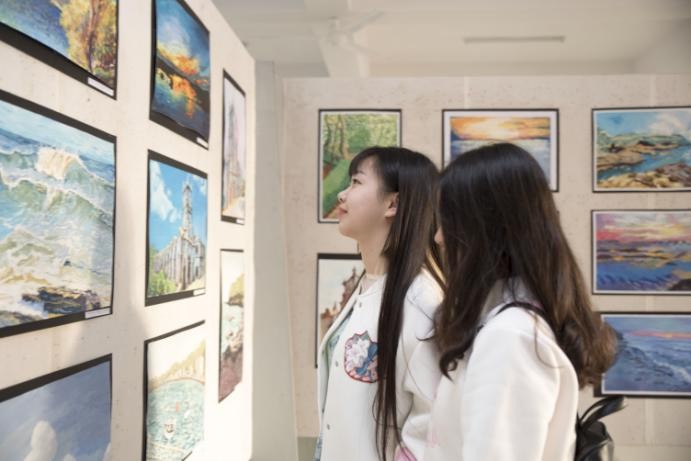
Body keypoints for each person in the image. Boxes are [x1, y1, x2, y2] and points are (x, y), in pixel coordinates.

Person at [425, 143, 616, 461]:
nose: (438, 238)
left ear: (482, 230)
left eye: (447, 222)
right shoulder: (512, 325)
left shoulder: (510, 337)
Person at [316, 146, 444, 461]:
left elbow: (433, 425)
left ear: (392, 204)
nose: (342, 195)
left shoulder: (422, 302)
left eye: (356, 182)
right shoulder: (369, 283)